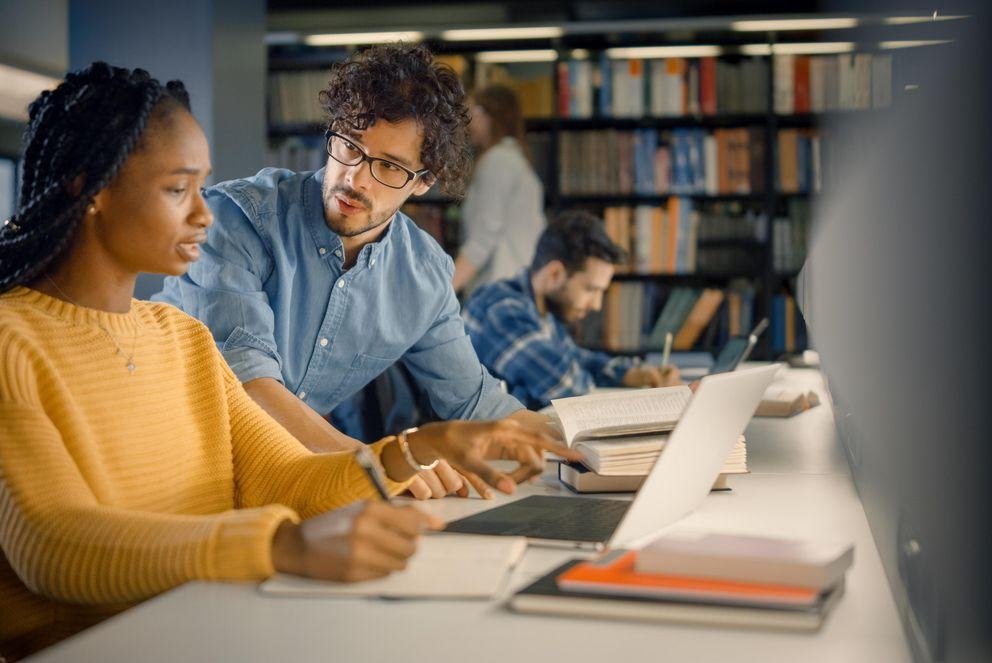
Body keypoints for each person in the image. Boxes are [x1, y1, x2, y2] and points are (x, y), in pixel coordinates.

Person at [0, 62, 580, 660]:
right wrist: (281, 546)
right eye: (179, 190)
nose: (204, 213)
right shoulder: (10, 342)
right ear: (88, 187)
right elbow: (54, 545)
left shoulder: (182, 339)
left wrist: (419, 448)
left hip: (211, 620)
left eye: (200, 188)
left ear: (422, 180)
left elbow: (282, 477)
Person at [155, 43, 552, 500]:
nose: (354, 179)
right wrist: (381, 465)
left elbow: (474, 400)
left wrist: (584, 439)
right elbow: (250, 384)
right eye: (349, 146)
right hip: (172, 462)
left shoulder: (423, 274)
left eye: (387, 166)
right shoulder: (238, 216)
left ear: (424, 181)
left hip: (271, 479)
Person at [463, 210, 682, 410]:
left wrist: (631, 373)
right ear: (555, 274)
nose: (596, 305)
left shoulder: (542, 309)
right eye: (590, 289)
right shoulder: (502, 310)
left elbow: (577, 358)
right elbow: (568, 387)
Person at [451, 84, 545, 295]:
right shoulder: (513, 159)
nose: (468, 123)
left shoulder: (499, 161)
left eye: (473, 112)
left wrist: (444, 292)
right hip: (514, 286)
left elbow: (484, 236)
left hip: (499, 287)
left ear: (489, 116)